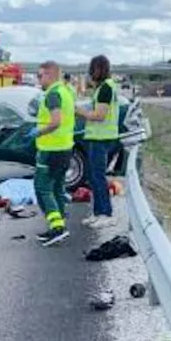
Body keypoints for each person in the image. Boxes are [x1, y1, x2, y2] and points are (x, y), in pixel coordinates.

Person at [31, 60, 75, 246]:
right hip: (65, 149)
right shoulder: (65, 92)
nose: (38, 79)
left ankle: (57, 227)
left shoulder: (52, 95)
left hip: (50, 150)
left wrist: (38, 132)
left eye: (40, 75)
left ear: (49, 75)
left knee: (42, 189)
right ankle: (59, 226)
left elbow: (56, 121)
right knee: (57, 188)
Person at [76, 55, 119, 229]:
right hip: (97, 137)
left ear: (97, 69)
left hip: (101, 138)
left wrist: (81, 112)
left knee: (98, 177)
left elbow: (100, 115)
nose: (90, 73)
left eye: (92, 70)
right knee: (93, 177)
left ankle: (106, 213)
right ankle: (97, 212)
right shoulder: (103, 88)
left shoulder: (106, 88)